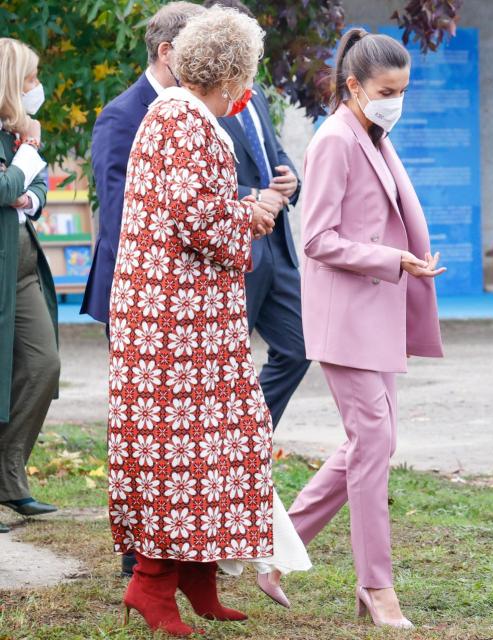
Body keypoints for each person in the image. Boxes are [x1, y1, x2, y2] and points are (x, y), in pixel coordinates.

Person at [108, 8, 309, 636]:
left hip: (184, 318)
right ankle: (152, 584)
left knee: (220, 442)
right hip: (177, 323)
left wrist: (241, 207)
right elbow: (198, 220)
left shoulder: (175, 114)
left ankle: (199, 574)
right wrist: (252, 216)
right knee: (183, 452)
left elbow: (185, 208)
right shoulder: (187, 122)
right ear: (230, 73)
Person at [286, 28, 445, 629]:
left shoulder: (374, 136)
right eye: (386, 90)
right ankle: (377, 587)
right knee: (373, 443)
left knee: (374, 443)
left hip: (377, 314)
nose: (396, 101)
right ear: (353, 86)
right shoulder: (334, 141)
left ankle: (279, 548)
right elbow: (318, 238)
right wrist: (390, 260)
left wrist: (401, 262)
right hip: (346, 317)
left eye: (403, 90)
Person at [82, 0, 206, 578]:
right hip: (138, 294)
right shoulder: (121, 114)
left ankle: (178, 548)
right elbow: (117, 212)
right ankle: (139, 557)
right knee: (144, 426)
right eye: (198, 47)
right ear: (166, 53)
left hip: (187, 299)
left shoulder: (200, 109)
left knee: (182, 428)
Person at [204, 0, 310, 437]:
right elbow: (201, 182)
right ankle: (221, 448)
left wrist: (290, 181)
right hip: (236, 246)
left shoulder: (257, 93)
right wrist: (255, 195)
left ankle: (245, 436)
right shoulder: (201, 101)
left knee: (300, 347)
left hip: (278, 246)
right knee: (226, 361)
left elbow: (273, 153)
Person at [0, 38, 60, 534]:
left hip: (21, 269)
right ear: (11, 81)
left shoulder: (16, 134)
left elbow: (32, 186)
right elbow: (5, 185)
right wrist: (25, 163)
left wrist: (30, 197)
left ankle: (9, 477)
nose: (37, 87)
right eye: (31, 78)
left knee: (43, 364)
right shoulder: (21, 139)